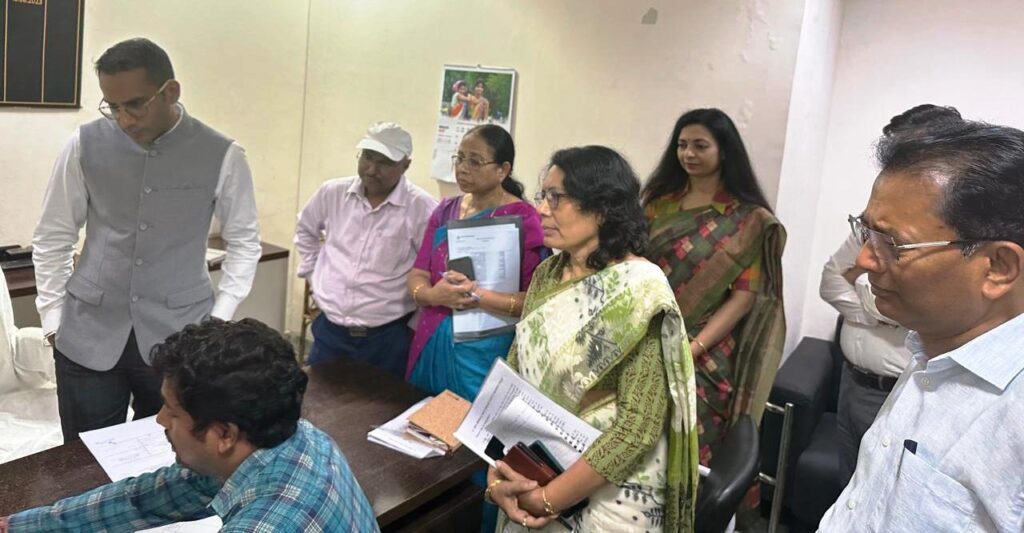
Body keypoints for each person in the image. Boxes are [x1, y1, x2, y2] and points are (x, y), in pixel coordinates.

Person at [31, 38, 261, 443]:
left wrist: (219, 320)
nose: (123, 119)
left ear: (170, 92)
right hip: (86, 333)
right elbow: (53, 234)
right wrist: (52, 317)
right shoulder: (83, 144)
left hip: (181, 337)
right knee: (84, 460)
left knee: (170, 454)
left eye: (135, 104)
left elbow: (244, 242)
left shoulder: (223, 154)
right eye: (112, 106)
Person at [817, 117, 1024, 532]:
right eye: (866, 233)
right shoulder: (932, 349)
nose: (864, 260)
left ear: (998, 267)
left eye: (893, 244)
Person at [486, 146, 698, 532]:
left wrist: (549, 499)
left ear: (602, 208)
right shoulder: (547, 274)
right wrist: (499, 473)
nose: (542, 210)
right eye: (543, 196)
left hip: (608, 496)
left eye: (556, 198)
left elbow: (638, 426)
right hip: (532, 469)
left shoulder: (639, 290)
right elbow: (514, 382)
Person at [0, 319, 379, 532]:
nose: (160, 420)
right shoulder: (290, 436)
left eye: (173, 411)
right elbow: (145, 498)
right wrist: (16, 526)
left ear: (224, 434)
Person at [820, 104, 962, 486]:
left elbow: (927, 310)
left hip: (900, 388)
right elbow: (832, 280)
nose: (867, 259)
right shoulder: (876, 220)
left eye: (907, 152)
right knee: (849, 493)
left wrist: (863, 288)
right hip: (851, 382)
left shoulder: (959, 233)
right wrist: (876, 311)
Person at [642, 108, 785, 465]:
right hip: (647, 335)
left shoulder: (748, 220)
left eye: (700, 146)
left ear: (724, 151)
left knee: (688, 448)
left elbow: (743, 298)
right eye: (682, 145)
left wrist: (691, 349)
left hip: (706, 352)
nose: (688, 154)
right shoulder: (659, 204)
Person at [406, 124, 545, 401]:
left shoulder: (525, 219)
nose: (462, 168)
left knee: (474, 421)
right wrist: (432, 295)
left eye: (474, 161)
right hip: (432, 338)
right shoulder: (445, 211)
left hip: (486, 348)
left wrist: (477, 296)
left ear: (503, 170)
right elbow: (418, 273)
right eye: (459, 158)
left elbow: (534, 299)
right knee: (419, 414)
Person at [294, 122, 437, 376]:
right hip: (330, 331)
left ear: (405, 165)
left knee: (382, 401)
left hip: (387, 338)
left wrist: (415, 326)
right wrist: (314, 275)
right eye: (367, 157)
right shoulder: (333, 193)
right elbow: (305, 230)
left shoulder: (422, 208)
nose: (371, 169)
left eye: (383, 163)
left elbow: (432, 270)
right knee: (316, 397)